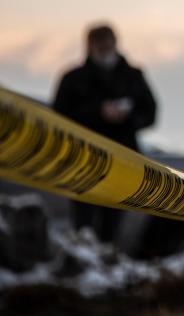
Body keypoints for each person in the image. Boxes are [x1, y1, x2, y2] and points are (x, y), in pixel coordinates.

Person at [52, 23, 158, 244]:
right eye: (99, 44)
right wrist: (98, 112)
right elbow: (58, 118)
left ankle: (108, 263)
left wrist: (127, 117)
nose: (105, 48)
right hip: (84, 162)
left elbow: (150, 113)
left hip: (123, 161)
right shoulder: (73, 78)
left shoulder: (133, 76)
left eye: (108, 43)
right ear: (89, 46)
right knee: (84, 230)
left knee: (113, 227)